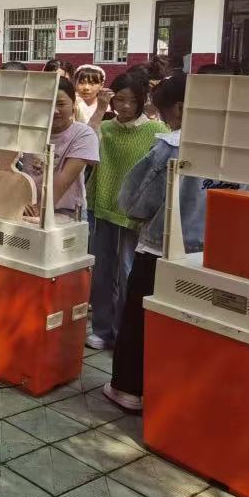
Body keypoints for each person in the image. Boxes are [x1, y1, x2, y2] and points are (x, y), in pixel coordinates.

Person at [103, 74, 200, 412]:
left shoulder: (170, 146)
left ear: (179, 108)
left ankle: (128, 389)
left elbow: (136, 201)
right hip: (209, 255)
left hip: (161, 246)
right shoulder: (243, 145)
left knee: (140, 318)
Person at [84, 72, 167, 350]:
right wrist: (99, 109)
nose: (126, 106)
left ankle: (123, 333)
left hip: (135, 215)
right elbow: (85, 144)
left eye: (132, 100)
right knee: (102, 272)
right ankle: (102, 329)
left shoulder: (156, 131)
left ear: (143, 100)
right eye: (119, 99)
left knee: (127, 274)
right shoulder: (105, 128)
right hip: (102, 207)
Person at [23, 78, 99, 218]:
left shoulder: (83, 134)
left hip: (67, 212)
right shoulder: (28, 130)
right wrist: (19, 201)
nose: (55, 111)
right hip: (26, 208)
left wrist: (39, 209)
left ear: (73, 104)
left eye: (61, 104)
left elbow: (64, 179)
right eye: (48, 104)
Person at [73, 64, 110, 130]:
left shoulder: (107, 107)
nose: (86, 88)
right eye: (81, 83)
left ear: (101, 85)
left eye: (92, 83)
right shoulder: (71, 103)